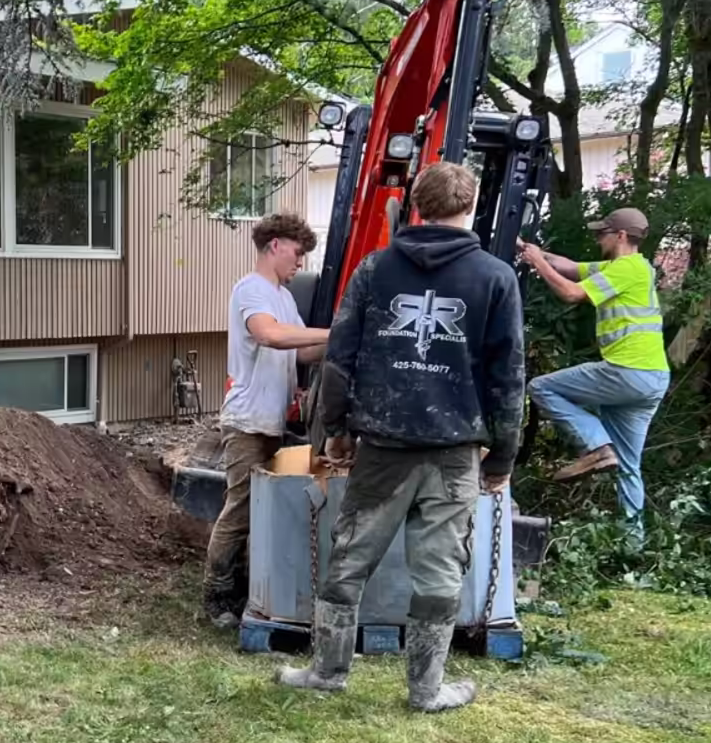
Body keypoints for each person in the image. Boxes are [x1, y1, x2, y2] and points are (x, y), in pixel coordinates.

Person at [278, 161, 525, 712]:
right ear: (473, 204)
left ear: (416, 203)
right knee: (439, 569)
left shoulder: (374, 269)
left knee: (349, 559)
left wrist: (336, 431)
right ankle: (426, 689)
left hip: (383, 448)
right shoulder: (494, 277)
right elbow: (507, 375)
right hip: (453, 452)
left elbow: (340, 358)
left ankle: (327, 672)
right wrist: (502, 456)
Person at [204, 213, 329, 628]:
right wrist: (335, 333)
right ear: (275, 245)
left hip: (271, 422)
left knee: (260, 513)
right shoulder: (251, 290)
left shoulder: (285, 298)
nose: (300, 263)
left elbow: (299, 350)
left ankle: (242, 591)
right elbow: (270, 336)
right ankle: (216, 596)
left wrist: (338, 345)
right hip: (246, 421)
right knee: (239, 509)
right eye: (297, 253)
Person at [516, 208, 669, 544]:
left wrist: (537, 265)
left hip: (628, 372)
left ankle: (597, 447)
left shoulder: (627, 268)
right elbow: (570, 267)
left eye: (603, 232)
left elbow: (571, 292)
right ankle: (633, 544)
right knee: (629, 464)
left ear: (621, 236)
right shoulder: (627, 267)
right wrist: (529, 250)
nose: (598, 237)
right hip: (651, 379)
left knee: (541, 387)